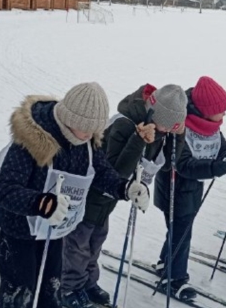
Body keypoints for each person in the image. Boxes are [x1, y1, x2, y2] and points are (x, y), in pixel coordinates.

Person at [0, 83, 149, 308]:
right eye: (83, 128)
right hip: (20, 230)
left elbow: (101, 171)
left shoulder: (86, 140)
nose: (87, 135)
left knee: (52, 290)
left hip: (55, 230)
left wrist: (125, 188)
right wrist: (43, 203)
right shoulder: (32, 138)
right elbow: (6, 190)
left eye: (92, 130)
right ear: (68, 119)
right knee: (20, 293)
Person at [60, 83, 186, 308]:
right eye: (166, 128)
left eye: (170, 129)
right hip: (88, 195)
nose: (165, 132)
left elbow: (167, 164)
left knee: (96, 241)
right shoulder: (123, 125)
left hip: (108, 201)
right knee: (78, 245)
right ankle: (70, 287)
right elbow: (115, 172)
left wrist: (178, 135)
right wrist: (138, 140)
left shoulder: (156, 128)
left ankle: (88, 282)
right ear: (155, 115)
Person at [152, 77, 226, 301]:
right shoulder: (180, 126)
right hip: (174, 189)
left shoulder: (211, 128)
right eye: (221, 111)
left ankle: (165, 262)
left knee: (180, 229)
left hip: (192, 192)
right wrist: (214, 167)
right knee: (182, 232)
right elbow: (183, 165)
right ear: (205, 110)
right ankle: (175, 278)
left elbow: (224, 153)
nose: (224, 115)